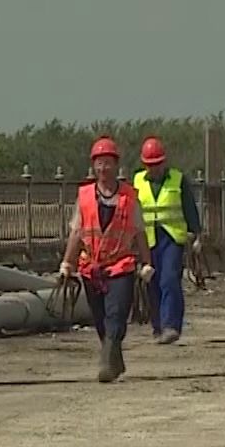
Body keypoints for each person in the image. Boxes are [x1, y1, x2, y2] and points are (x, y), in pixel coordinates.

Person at [61, 137, 156, 383]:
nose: (103, 169)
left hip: (120, 265)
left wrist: (146, 263)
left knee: (116, 314)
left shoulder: (128, 197)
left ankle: (107, 361)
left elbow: (139, 232)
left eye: (108, 163)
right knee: (101, 318)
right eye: (99, 164)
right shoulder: (84, 197)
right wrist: (67, 264)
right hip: (92, 267)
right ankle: (113, 356)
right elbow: (76, 232)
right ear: (94, 167)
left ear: (116, 166)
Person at [133, 136, 202, 344]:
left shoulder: (178, 180)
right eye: (150, 165)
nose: (154, 169)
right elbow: (130, 211)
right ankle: (158, 327)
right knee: (152, 282)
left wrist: (197, 234)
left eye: (157, 164)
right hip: (147, 239)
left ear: (164, 162)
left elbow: (189, 207)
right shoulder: (137, 182)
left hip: (171, 237)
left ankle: (171, 325)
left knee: (169, 279)